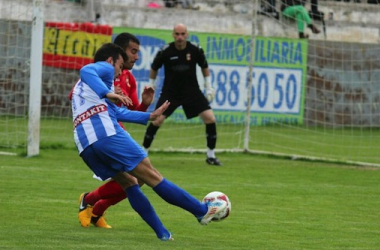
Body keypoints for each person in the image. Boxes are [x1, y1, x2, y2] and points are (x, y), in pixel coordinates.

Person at [72, 42, 227, 241]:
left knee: (129, 183)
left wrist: (149, 116)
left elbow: (116, 112)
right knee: (152, 175)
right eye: (120, 66)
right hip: (105, 135)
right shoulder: (104, 70)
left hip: (85, 145)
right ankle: (200, 211)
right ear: (111, 61)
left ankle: (163, 234)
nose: (119, 72)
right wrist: (108, 93)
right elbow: (86, 69)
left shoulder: (85, 88)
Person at [77, 33, 155, 229]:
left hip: (118, 134)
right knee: (136, 179)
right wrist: (106, 95)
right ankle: (90, 202)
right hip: (100, 135)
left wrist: (144, 105)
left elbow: (130, 112)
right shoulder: (101, 73)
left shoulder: (128, 78)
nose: (136, 57)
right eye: (133, 51)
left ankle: (95, 209)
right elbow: (76, 95)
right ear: (120, 52)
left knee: (137, 180)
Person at [142, 23, 222, 166]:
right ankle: (143, 152)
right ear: (173, 35)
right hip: (170, 92)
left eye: (182, 34)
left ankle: (211, 156)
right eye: (177, 34)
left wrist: (208, 86)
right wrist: (151, 84)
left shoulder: (195, 49)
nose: (180, 37)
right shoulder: (165, 51)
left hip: (191, 91)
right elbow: (154, 68)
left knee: (210, 118)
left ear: (187, 34)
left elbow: (205, 67)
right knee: (156, 120)